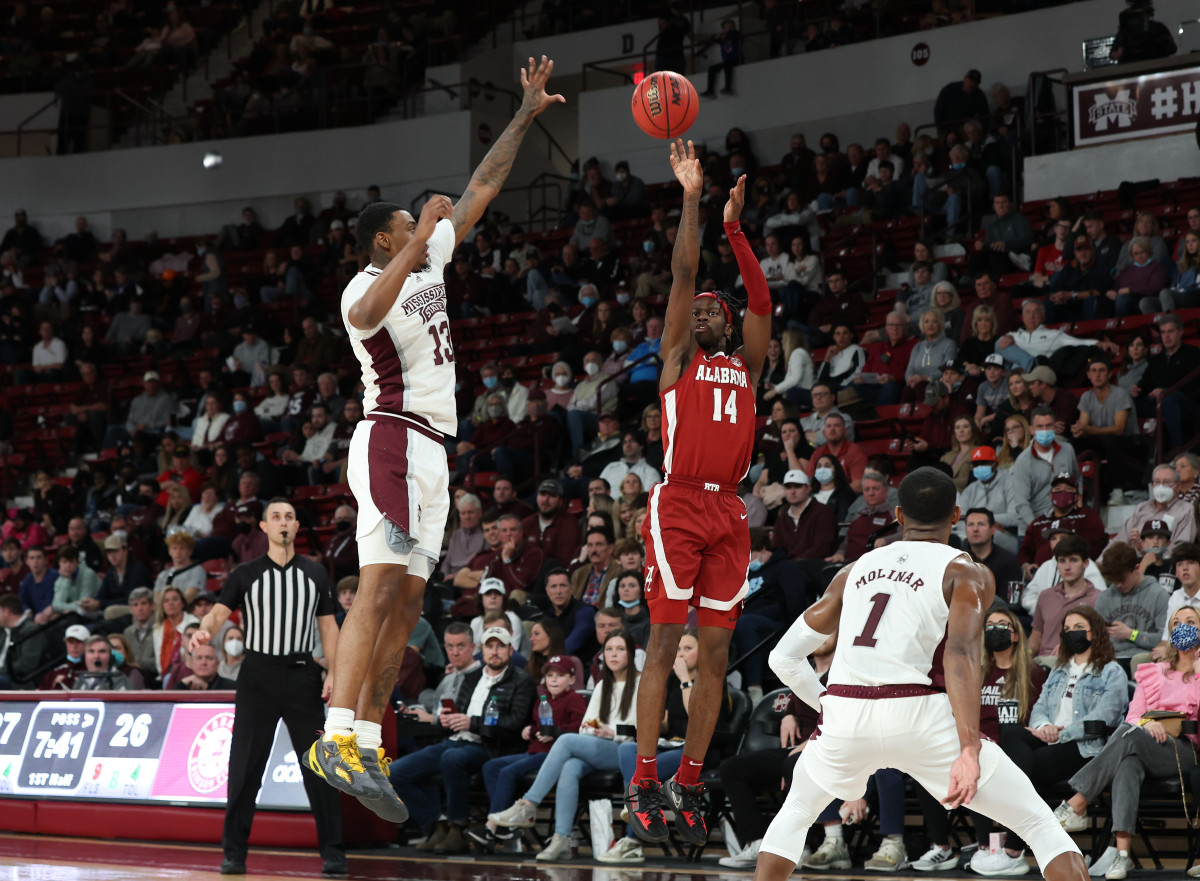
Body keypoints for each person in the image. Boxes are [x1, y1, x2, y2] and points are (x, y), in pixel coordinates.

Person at [307, 55, 563, 822]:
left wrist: (523, 114)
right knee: (377, 588)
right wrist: (423, 234)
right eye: (403, 227)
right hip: (387, 438)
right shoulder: (366, 285)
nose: (418, 231)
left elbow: (483, 185)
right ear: (382, 238)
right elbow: (363, 317)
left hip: (432, 450)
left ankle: (361, 738)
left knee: (410, 599)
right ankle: (333, 731)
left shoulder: (427, 257)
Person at [752, 467, 1087, 881]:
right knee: (1038, 824)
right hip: (919, 713)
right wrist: (968, 748)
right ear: (956, 515)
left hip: (845, 713)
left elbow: (782, 658)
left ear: (897, 515)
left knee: (798, 812)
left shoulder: (851, 570)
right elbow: (961, 654)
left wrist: (825, 705)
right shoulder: (966, 571)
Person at [626, 141, 772, 847]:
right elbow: (686, 270)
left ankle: (688, 777)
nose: (711, 311)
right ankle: (643, 774)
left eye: (720, 307)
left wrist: (737, 229)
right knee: (662, 642)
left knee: (714, 655)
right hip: (679, 501)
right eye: (705, 309)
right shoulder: (679, 358)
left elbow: (763, 302)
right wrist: (693, 199)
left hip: (730, 509)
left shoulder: (746, 366)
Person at [189, 498, 344, 876]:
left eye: (289, 516)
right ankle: (234, 853)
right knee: (244, 768)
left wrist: (336, 673)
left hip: (302, 674)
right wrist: (203, 631)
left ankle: (334, 853)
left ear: (294, 525)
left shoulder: (315, 573)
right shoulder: (245, 573)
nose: (284, 522)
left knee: (318, 767)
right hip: (257, 675)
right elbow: (219, 612)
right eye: (276, 517)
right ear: (264, 527)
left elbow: (329, 628)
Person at [1052, 605, 1200, 881]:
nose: (1183, 626)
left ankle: (1078, 801)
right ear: (1170, 632)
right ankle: (1122, 856)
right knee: (1128, 763)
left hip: (1186, 750)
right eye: (1177, 622)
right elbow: (1133, 715)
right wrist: (1148, 723)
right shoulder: (1155, 671)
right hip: (1147, 743)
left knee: (1128, 736)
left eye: (1191, 622)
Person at [986, 606, 1129, 874]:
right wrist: (1042, 726)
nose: (1071, 634)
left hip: (1085, 747)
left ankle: (1012, 849)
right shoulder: (1059, 670)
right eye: (1067, 630)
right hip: (1051, 737)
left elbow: (1103, 719)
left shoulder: (1112, 672)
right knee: (1013, 734)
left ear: (1094, 632)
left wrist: (1060, 732)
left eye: (1078, 628)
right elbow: (1039, 707)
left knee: (1024, 767)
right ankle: (1024, 847)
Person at [490, 629, 639, 861]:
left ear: (631, 653)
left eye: (620, 649)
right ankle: (561, 838)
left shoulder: (643, 682)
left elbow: (645, 728)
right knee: (570, 766)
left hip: (625, 750)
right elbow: (585, 726)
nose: (613, 655)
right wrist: (594, 730)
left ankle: (528, 804)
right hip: (598, 745)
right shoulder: (601, 686)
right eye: (609, 649)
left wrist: (612, 731)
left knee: (566, 740)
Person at [389, 626, 535, 854]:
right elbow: (460, 714)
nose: (495, 652)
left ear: (510, 649)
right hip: (455, 740)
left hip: (490, 747)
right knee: (394, 773)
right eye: (490, 646)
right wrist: (446, 721)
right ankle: (438, 823)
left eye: (500, 646)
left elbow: (514, 724)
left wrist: (472, 723)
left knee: (453, 757)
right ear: (483, 650)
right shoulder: (472, 677)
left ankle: (458, 825)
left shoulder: (521, 680)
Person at [468, 655, 587, 852]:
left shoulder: (575, 700)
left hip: (551, 757)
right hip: (534, 751)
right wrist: (529, 730)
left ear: (572, 680)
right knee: (491, 766)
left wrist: (555, 733)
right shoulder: (543, 700)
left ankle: (492, 827)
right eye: (550, 675)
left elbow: (580, 730)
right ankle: (507, 825)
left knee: (508, 772)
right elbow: (535, 725)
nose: (554, 680)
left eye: (560, 675)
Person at [1029, 535, 1103, 664]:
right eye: (1062, 561)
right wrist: (1025, 655)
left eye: (1073, 560)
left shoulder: (1099, 598)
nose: (1067, 567)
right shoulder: (1045, 596)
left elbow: (1103, 641)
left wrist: (1070, 649)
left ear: (1085, 563)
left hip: (1080, 662)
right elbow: (1036, 636)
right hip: (1043, 662)